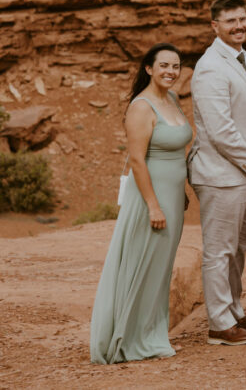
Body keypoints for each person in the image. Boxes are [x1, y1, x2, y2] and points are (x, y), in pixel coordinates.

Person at [91, 44, 193, 363]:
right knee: (140, 264)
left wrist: (182, 192)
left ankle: (152, 333)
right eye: (163, 65)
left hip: (173, 198)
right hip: (150, 199)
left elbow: (176, 154)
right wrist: (153, 205)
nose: (170, 72)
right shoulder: (142, 106)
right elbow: (137, 160)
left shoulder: (173, 99)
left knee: (160, 269)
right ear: (149, 68)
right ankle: (128, 338)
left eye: (175, 66)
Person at [190, 0, 246, 346]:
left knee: (239, 248)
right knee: (219, 250)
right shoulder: (210, 66)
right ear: (215, 26)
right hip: (220, 174)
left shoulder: (243, 57)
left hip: (244, 171)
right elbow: (219, 129)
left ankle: (235, 311)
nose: (239, 26)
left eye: (242, 19)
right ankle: (219, 323)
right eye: (230, 21)